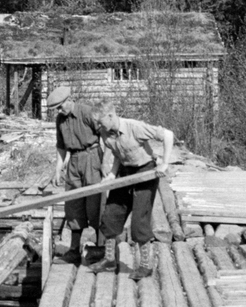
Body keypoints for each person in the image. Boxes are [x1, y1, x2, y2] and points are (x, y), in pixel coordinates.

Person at [96, 103, 174, 280]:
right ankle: (109, 260)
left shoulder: (135, 127)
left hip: (144, 172)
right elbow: (117, 152)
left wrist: (165, 163)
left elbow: (168, 135)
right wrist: (112, 174)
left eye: (101, 123)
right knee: (111, 214)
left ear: (110, 116)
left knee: (139, 219)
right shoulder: (105, 132)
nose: (99, 127)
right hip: (124, 172)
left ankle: (145, 266)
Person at [46, 85, 106, 266]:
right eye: (56, 109)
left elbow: (105, 134)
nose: (59, 111)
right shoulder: (60, 120)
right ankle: (74, 250)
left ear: (69, 100)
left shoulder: (87, 112)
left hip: (92, 157)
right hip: (74, 162)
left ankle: (100, 248)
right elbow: (61, 146)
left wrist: (105, 163)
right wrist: (58, 169)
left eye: (59, 107)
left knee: (95, 204)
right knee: (73, 205)